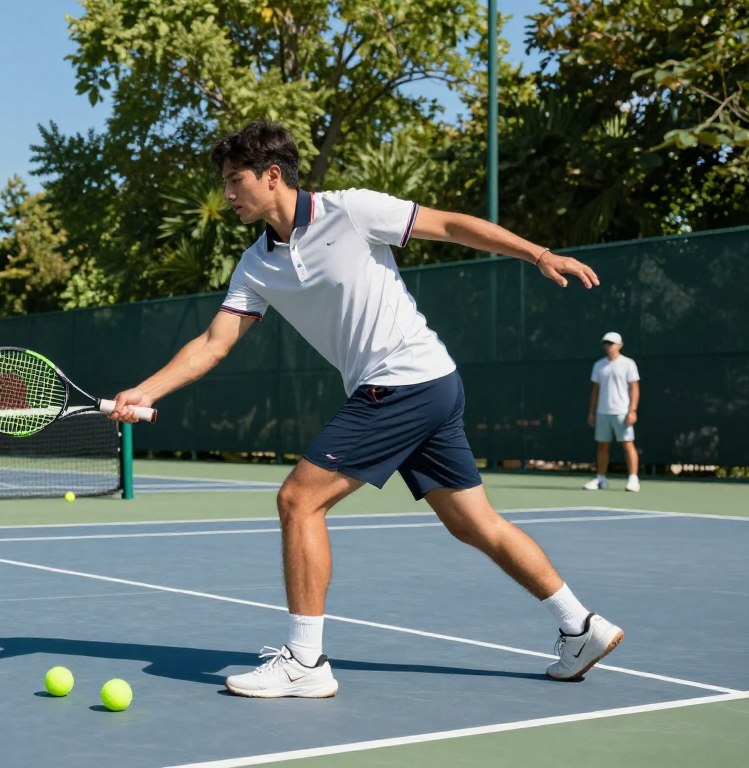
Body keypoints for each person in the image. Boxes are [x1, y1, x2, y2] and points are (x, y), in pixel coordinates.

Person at [110, 121, 623, 698]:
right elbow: (213, 343)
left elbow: (449, 226)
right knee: (474, 523)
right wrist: (148, 389)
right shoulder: (256, 265)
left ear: (271, 176)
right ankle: (581, 626)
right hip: (431, 383)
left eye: (235, 181)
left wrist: (537, 253)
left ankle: (306, 662)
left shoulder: (351, 211)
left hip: (403, 381)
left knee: (298, 500)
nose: (227, 194)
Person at [584, 332, 641, 492]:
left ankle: (633, 479)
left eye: (612, 343)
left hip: (622, 412)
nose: (608, 346)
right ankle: (601, 479)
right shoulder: (599, 365)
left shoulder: (628, 364)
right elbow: (595, 390)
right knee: (602, 446)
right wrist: (592, 412)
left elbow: (634, 388)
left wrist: (632, 410)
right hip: (603, 412)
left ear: (620, 345)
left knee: (628, 444)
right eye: (606, 343)